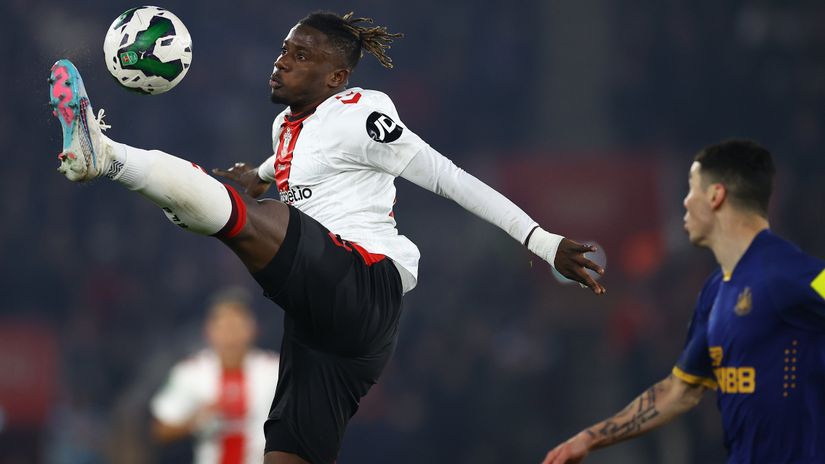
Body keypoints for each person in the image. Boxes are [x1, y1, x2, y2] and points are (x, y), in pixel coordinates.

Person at [49, 11, 605, 464]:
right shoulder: (288, 126)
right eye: (284, 50)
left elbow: (446, 175)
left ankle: (109, 156)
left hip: (364, 279)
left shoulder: (362, 112)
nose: (282, 61)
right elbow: (302, 158)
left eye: (301, 55)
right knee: (288, 456)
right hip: (321, 329)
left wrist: (540, 239)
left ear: (337, 78)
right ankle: (119, 161)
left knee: (236, 217)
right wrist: (261, 174)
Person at [543, 139, 825, 464]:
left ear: (717, 198)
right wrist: (589, 438)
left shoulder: (792, 274)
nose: (686, 202)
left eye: (692, 190)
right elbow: (678, 391)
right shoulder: (717, 290)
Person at [150, 288, 279, 464]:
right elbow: (160, 429)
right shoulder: (191, 372)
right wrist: (195, 421)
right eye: (224, 326)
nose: (231, 334)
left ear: (252, 328)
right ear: (209, 330)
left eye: (237, 325)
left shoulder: (274, 370)